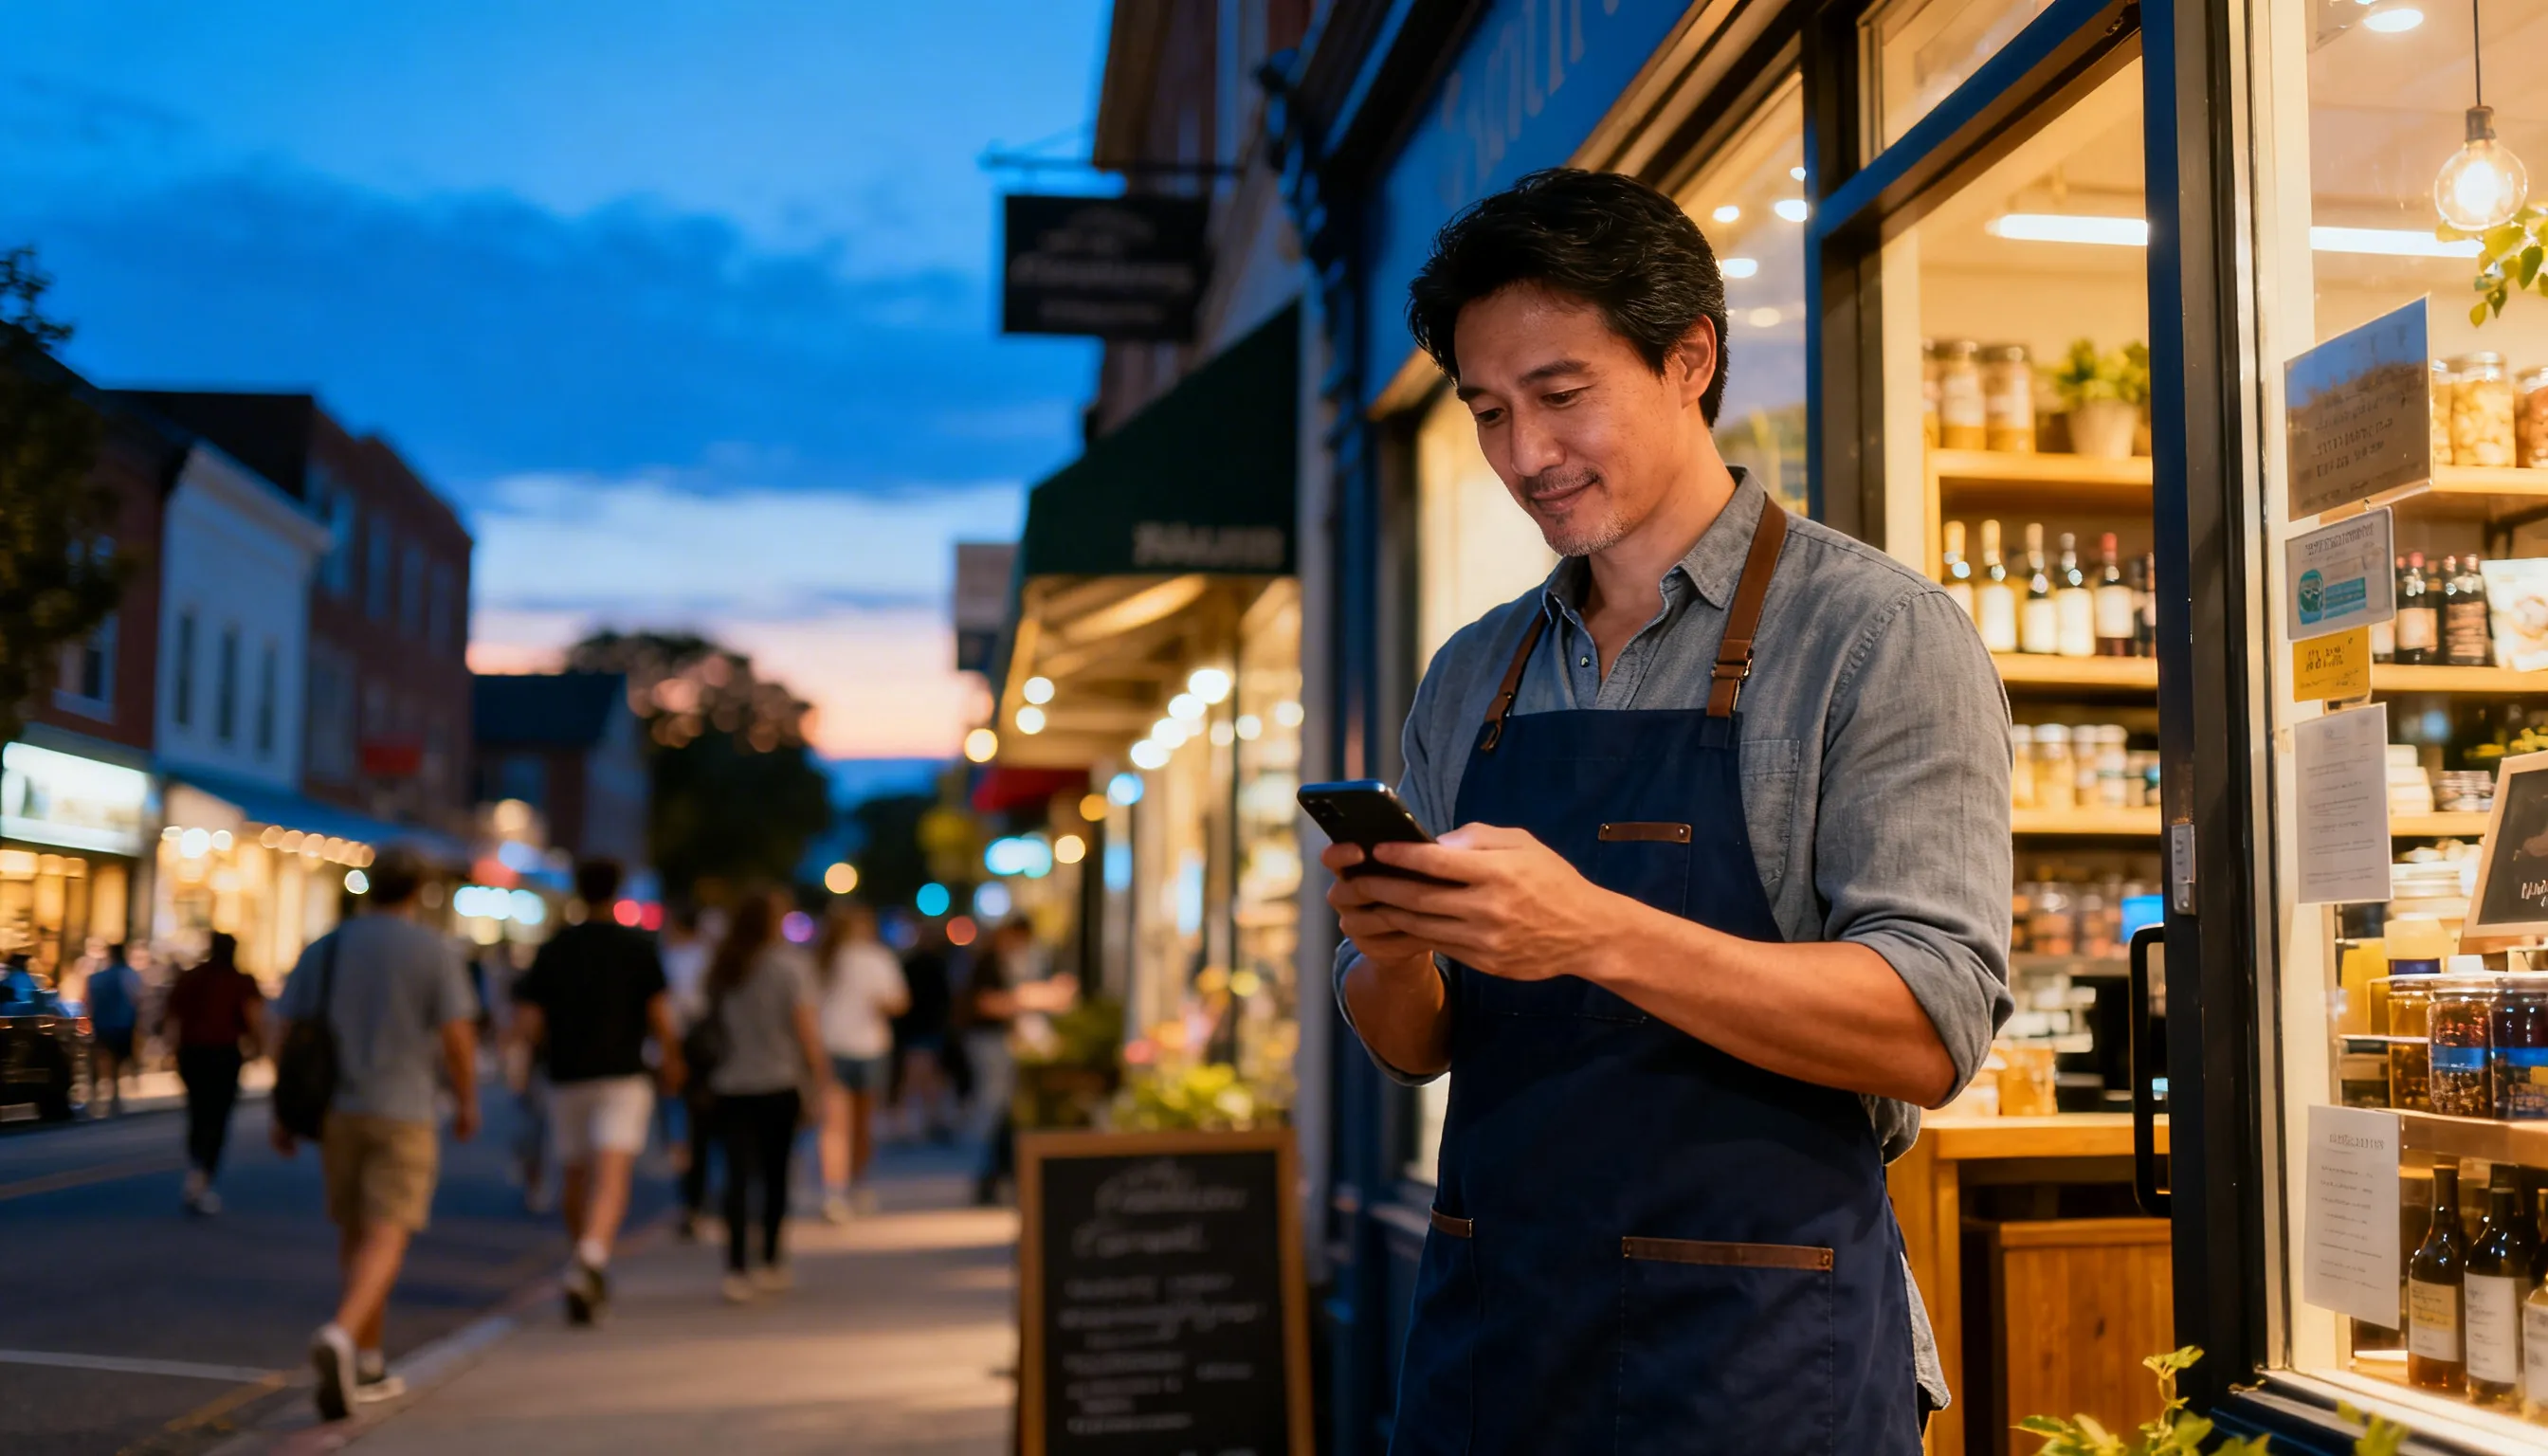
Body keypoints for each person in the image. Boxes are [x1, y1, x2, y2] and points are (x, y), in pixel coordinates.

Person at [1327, 170, 2011, 1452]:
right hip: (1500, 1349)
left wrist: (1591, 932)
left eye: (1561, 395)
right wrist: (1392, 948)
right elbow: (1407, 1042)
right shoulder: (1473, 671)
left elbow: (1932, 1024)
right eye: (1487, 412)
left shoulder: (1874, 636)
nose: (1524, 454)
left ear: (1688, 358)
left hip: (1757, 1365)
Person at [270, 850, 479, 1421]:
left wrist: (281, 1113)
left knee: (355, 1233)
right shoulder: (434, 951)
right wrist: (466, 1101)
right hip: (406, 1109)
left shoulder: (329, 947)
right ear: (418, 890)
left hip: (339, 1109)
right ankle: (343, 1335)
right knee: (388, 1234)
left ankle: (368, 1361)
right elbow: (458, 1037)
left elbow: (286, 1031)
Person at [509, 860, 682, 1325]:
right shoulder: (638, 947)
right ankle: (591, 1255)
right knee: (612, 1170)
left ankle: (582, 1257)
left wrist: (521, 1068)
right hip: (623, 1072)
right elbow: (661, 1014)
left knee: (574, 1172)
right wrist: (672, 1061)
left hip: (566, 1073)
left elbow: (528, 1020)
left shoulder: (555, 948)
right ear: (618, 889)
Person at [701, 891, 829, 1302]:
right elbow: (806, 1031)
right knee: (775, 1176)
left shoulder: (723, 967)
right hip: (779, 1082)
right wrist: (820, 1082)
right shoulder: (789, 967)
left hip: (731, 1084)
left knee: (737, 1178)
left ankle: (736, 1266)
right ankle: (772, 1259)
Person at [813, 901, 907, 1221]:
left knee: (834, 1125)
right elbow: (899, 1003)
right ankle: (857, 1183)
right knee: (862, 1124)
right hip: (868, 1047)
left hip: (831, 1045)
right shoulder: (878, 959)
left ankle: (834, 1192)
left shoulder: (822, 960)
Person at [162, 933, 265, 1212]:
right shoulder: (240, 981)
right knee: (217, 1116)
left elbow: (174, 1017)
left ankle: (197, 1168)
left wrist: (172, 1052)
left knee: (197, 1111)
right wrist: (258, 1049)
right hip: (223, 1054)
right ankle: (203, 1175)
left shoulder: (192, 978)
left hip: (193, 1054)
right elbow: (254, 1018)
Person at [659, 904, 718, 1237]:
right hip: (705, 1053)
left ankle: (692, 1202)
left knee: (684, 1129)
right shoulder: (708, 959)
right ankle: (699, 1199)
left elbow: (671, 1010)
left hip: (684, 1050)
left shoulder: (675, 960)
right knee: (703, 1130)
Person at [891, 920, 956, 1143]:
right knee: (919, 1074)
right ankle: (915, 1123)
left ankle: (919, 1122)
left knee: (921, 1074)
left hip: (919, 1028)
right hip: (924, 1028)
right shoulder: (935, 965)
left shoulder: (913, 964)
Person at [82, 942, 144, 1117]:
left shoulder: (96, 978)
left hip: (101, 1023)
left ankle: (94, 1098)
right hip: (123, 1024)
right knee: (117, 1061)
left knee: (98, 1059)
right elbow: (137, 999)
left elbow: (88, 1002)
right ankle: (114, 1098)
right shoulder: (130, 975)